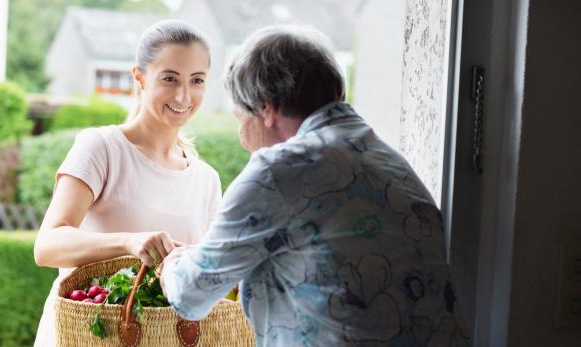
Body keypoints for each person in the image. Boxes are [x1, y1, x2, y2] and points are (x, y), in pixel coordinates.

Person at [160, 26, 470, 346]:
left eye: (241, 119)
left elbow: (192, 293)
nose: (242, 139)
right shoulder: (389, 161)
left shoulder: (277, 171)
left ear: (266, 108)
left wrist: (173, 266)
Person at [32, 20, 221, 346]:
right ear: (139, 78)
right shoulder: (101, 148)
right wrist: (130, 243)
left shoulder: (206, 179)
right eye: (169, 78)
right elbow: (47, 246)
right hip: (88, 336)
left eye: (197, 81)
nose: (183, 95)